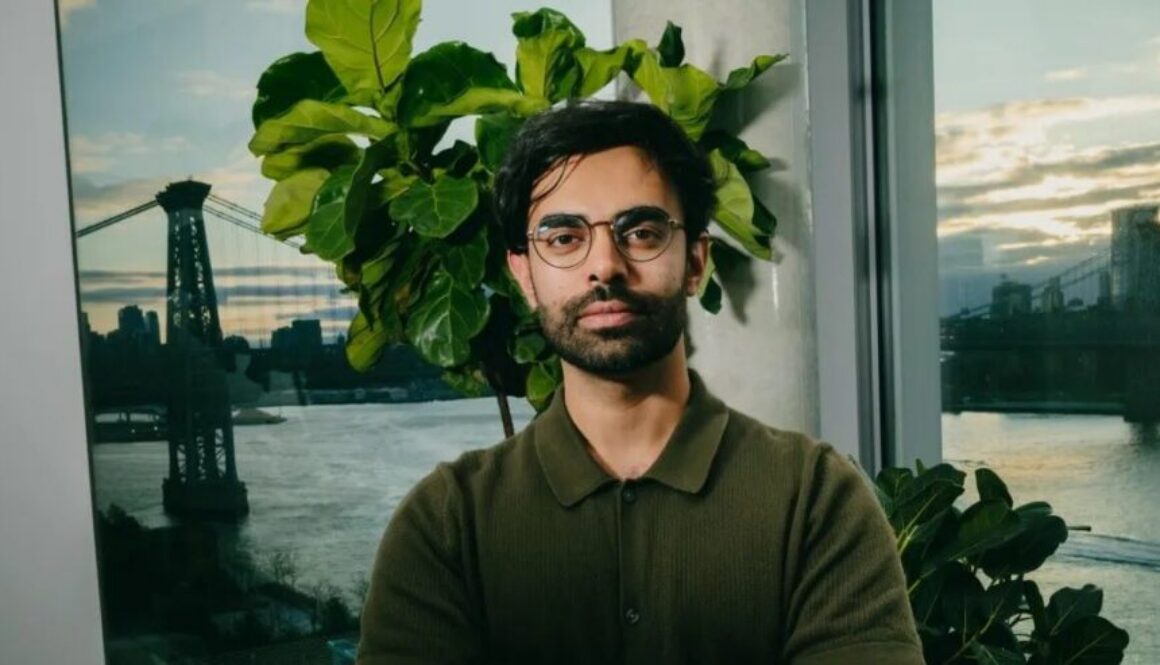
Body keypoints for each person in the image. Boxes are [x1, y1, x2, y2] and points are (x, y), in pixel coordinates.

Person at [356, 101, 923, 665]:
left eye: (642, 232)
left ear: (696, 262)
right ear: (524, 275)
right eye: (563, 238)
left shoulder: (815, 497)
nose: (604, 265)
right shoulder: (447, 522)